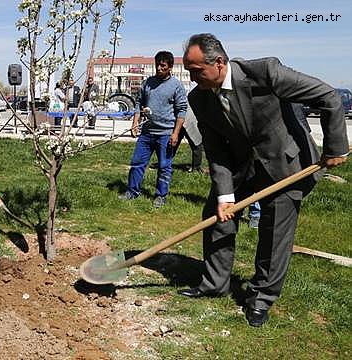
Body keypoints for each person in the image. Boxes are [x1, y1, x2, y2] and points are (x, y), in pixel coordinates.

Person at [178, 33, 348, 327]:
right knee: (218, 217)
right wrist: (225, 197)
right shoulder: (199, 98)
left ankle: (260, 299)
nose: (192, 79)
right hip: (242, 165)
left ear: (218, 63)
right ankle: (214, 283)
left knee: (274, 230)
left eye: (196, 71)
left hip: (285, 162)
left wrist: (335, 147)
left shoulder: (266, 72)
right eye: (189, 72)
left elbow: (327, 96)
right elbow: (216, 151)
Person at [118, 50, 188, 208]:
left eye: (163, 65)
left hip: (166, 134)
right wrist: (135, 123)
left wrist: (175, 133)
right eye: (157, 64)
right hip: (146, 133)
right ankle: (132, 191)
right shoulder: (148, 83)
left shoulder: (176, 85)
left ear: (170, 67)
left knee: (164, 166)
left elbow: (182, 111)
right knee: (137, 163)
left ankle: (161, 196)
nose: (159, 68)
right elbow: (138, 103)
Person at [173, 105, 204, 173]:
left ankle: (196, 167)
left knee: (196, 144)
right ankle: (165, 163)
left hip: (190, 119)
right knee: (173, 143)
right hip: (180, 118)